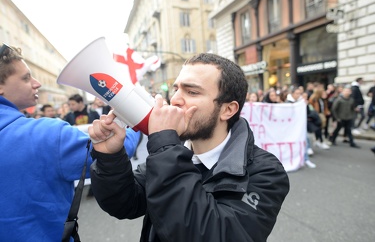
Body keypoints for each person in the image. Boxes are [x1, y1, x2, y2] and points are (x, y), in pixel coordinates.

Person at [89, 53, 290, 241]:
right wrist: (110, 157)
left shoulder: (266, 172)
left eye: (192, 91)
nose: (175, 99)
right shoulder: (169, 155)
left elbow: (211, 233)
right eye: (176, 89)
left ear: (228, 109)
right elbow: (124, 204)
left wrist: (166, 145)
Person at [0, 43, 139, 241]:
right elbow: (115, 150)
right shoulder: (47, 135)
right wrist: (135, 124)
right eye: (26, 77)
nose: (37, 83)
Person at [286, 87, 316, 168]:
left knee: (304, 142)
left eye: (300, 93)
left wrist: (305, 105)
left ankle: (306, 159)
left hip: (300, 127)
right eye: (297, 93)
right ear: (292, 94)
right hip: (291, 128)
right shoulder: (287, 103)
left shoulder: (301, 102)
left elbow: (308, 113)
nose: (299, 95)